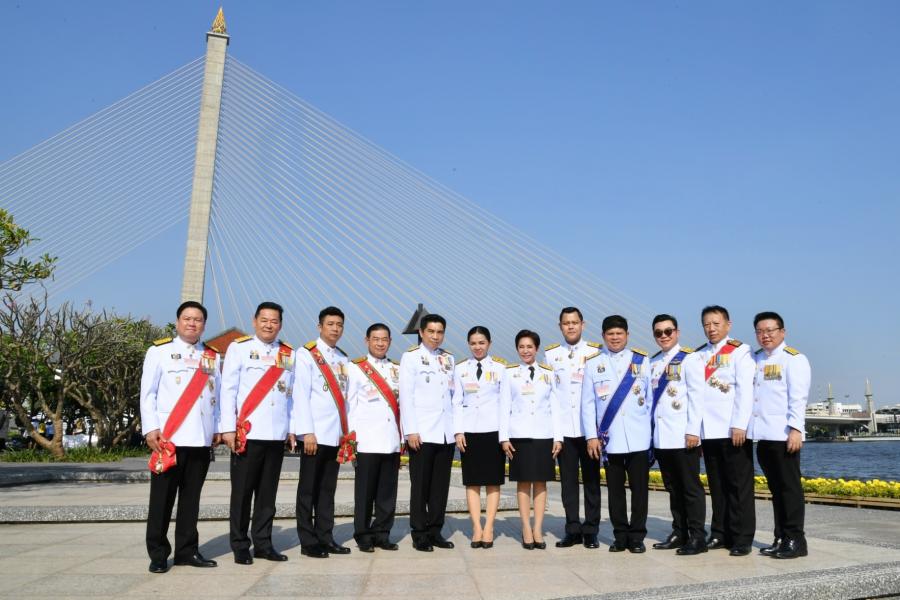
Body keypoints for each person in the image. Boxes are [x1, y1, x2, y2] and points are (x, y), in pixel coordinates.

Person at [140, 300, 221, 574]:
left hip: (200, 440)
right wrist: (150, 428)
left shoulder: (212, 355)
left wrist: (217, 429)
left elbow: (218, 398)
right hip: (168, 439)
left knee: (191, 500)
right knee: (161, 500)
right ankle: (158, 554)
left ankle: (187, 551)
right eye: (187, 318)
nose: (192, 323)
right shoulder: (159, 351)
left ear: (204, 325)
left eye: (198, 320)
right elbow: (147, 394)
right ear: (177, 322)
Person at [219, 301, 295, 565]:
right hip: (248, 434)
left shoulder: (288, 353)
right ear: (255, 321)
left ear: (280, 325)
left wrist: (292, 429)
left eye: (274, 321)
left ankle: (263, 543)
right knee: (242, 493)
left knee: (267, 495)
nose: (269, 325)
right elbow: (228, 390)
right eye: (264, 320)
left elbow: (290, 395)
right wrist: (228, 428)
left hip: (275, 434)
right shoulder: (239, 348)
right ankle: (240, 544)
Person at [684, 305, 756, 556]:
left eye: (716, 323)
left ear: (728, 324)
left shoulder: (740, 351)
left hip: (732, 430)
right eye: (707, 324)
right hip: (709, 432)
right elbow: (695, 396)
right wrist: (695, 430)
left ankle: (742, 537)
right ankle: (720, 533)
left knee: (739, 487)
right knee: (717, 486)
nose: (711, 329)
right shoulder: (698, 355)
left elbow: (745, 390)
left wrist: (740, 424)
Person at [583, 315, 652, 553]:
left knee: (640, 490)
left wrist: (649, 434)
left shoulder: (641, 360)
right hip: (610, 439)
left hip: (638, 437)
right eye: (610, 334)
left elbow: (649, 401)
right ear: (603, 336)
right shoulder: (593, 363)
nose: (615, 338)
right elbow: (587, 404)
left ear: (627, 335)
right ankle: (620, 535)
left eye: (619, 333)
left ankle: (637, 536)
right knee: (615, 491)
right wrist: (591, 436)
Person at [750, 311, 811, 559]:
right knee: (776, 490)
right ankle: (781, 537)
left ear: (782, 332)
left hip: (784, 435)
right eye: (759, 331)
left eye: (770, 331)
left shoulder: (794, 359)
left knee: (790, 489)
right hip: (763, 436)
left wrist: (796, 429)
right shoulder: (755, 359)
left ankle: (796, 539)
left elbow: (798, 398)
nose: (765, 335)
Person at [292, 306, 351, 558]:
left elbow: (345, 400)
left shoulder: (343, 358)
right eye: (330, 324)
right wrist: (306, 432)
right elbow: (300, 395)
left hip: (335, 434)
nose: (335, 329)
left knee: (327, 490)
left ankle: (326, 537)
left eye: (339, 325)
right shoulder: (306, 354)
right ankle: (308, 541)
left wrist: (346, 434)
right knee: (308, 490)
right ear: (320, 326)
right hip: (314, 435)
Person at [543, 307, 603, 548]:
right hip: (565, 430)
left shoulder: (595, 352)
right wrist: (555, 434)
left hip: (589, 431)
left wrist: (596, 431)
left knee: (592, 482)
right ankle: (572, 529)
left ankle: (591, 530)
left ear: (582, 324)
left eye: (574, 322)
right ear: (560, 326)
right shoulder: (551, 355)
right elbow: (550, 395)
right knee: (568, 483)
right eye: (566, 323)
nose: (570, 326)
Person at [647, 315, 707, 555]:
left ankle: (697, 536)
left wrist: (693, 431)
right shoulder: (653, 362)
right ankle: (679, 532)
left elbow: (697, 397)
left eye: (668, 331)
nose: (664, 336)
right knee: (673, 488)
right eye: (658, 333)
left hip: (683, 436)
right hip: (662, 438)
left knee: (690, 488)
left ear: (677, 332)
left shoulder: (690, 359)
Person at [500, 329, 563, 550]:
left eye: (529, 347)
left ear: (536, 348)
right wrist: (504, 437)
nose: (525, 351)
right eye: (521, 347)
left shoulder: (548, 372)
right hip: (520, 435)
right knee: (524, 482)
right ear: (517, 349)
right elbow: (504, 406)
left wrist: (558, 437)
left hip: (544, 435)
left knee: (541, 482)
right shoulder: (509, 373)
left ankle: (538, 528)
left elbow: (555, 406)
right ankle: (526, 527)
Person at [399, 313, 456, 552]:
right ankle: (420, 533)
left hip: (445, 433)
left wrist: (456, 431)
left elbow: (453, 397)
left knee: (440, 487)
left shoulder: (449, 358)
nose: (435, 336)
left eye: (439, 332)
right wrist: (411, 431)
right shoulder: (411, 357)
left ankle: (435, 531)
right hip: (422, 433)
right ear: (421, 332)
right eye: (431, 331)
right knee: (420, 487)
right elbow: (406, 396)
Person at [346, 323, 403, 552]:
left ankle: (382, 533)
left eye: (384, 339)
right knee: (365, 493)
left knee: (387, 493)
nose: (380, 343)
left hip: (391, 440)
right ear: (367, 340)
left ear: (390, 341)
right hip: (367, 440)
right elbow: (350, 406)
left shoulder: (397, 369)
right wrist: (352, 439)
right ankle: (363, 535)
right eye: (376, 339)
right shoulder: (356, 368)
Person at [452, 326, 509, 549]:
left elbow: (505, 404)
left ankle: (489, 527)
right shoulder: (460, 369)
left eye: (482, 343)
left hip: (493, 431)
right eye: (474, 343)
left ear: (489, 344)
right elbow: (456, 401)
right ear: (469, 344)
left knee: (493, 482)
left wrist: (504, 436)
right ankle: (477, 527)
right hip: (469, 432)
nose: (478, 347)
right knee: (472, 482)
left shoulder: (501, 368)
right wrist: (458, 431)